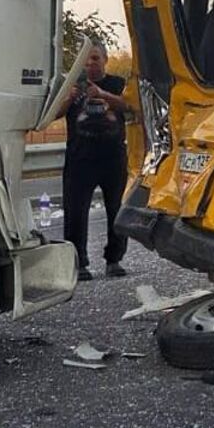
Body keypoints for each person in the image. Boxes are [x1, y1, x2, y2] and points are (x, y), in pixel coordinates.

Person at [62, 41, 131, 280]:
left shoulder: (117, 84)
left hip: (112, 158)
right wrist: (69, 98)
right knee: (75, 212)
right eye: (86, 60)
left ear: (105, 60)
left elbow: (129, 106)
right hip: (80, 159)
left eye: (95, 59)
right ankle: (78, 263)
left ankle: (114, 260)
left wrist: (102, 95)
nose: (91, 64)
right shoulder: (71, 85)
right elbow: (54, 113)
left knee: (117, 210)